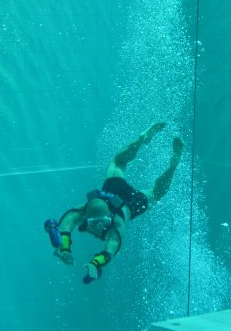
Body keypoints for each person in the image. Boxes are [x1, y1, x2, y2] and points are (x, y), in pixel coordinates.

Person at [44, 122, 183, 284]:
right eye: (95, 223)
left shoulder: (116, 224)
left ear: (109, 216)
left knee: (155, 192)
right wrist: (64, 249)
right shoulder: (81, 212)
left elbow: (111, 248)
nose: (99, 227)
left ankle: (170, 161)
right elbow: (65, 225)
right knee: (119, 162)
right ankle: (144, 144)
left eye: (102, 222)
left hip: (130, 203)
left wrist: (95, 263)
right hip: (114, 189)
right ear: (86, 215)